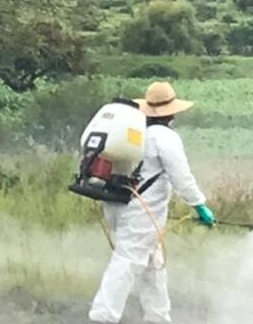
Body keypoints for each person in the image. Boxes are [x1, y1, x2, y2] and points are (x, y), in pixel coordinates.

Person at [89, 81, 216, 324]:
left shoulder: (134, 132)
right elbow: (181, 177)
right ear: (172, 112)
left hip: (118, 204)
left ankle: (158, 317)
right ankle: (102, 317)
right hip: (141, 212)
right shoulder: (164, 137)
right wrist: (199, 205)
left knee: (152, 263)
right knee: (127, 260)